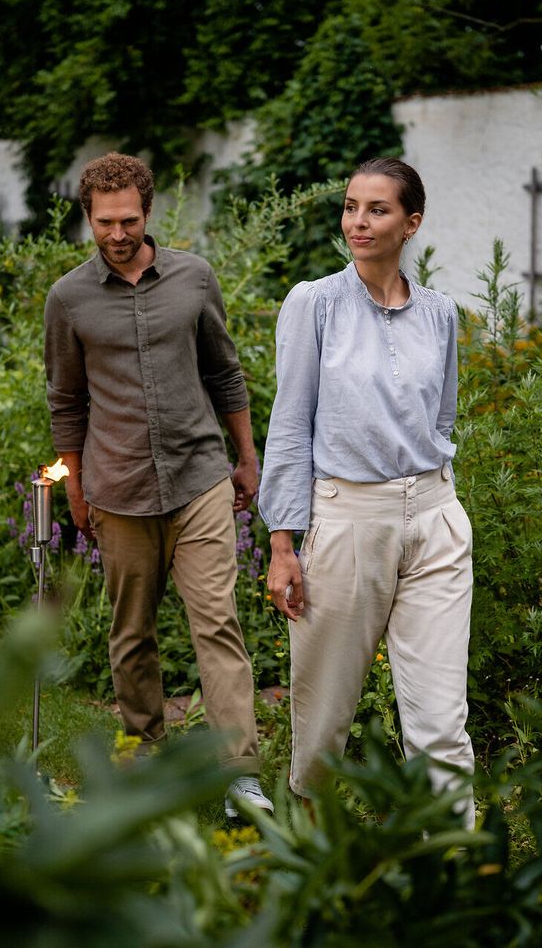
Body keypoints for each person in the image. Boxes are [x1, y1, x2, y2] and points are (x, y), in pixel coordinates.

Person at [44, 152, 272, 818]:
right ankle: (146, 757)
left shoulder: (194, 277)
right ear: (88, 219)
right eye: (105, 222)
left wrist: (247, 456)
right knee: (132, 633)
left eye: (129, 220)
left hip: (199, 477)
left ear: (148, 212)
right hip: (117, 489)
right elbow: (66, 401)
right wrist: (76, 490)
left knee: (218, 625)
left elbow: (224, 372)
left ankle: (239, 776)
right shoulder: (68, 299)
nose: (118, 234)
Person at [258, 157, 474, 827]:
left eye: (377, 210)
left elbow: (442, 418)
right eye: (351, 206)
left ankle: (453, 859)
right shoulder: (315, 304)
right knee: (324, 714)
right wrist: (283, 543)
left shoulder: (440, 314)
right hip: (347, 519)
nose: (358, 221)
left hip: (435, 521)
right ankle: (309, 846)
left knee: (441, 717)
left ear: (411, 223)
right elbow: (289, 426)